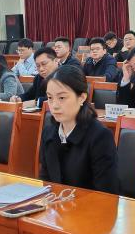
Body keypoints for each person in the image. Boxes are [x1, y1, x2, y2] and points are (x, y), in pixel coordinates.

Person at [38, 65, 119, 193]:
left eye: (62, 98)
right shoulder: (49, 132)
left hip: (90, 205)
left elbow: (106, 193)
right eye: (50, 98)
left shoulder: (100, 136)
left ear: (81, 98)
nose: (54, 105)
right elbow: (46, 181)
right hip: (56, 204)